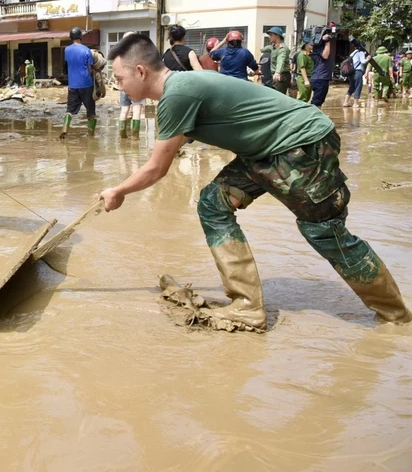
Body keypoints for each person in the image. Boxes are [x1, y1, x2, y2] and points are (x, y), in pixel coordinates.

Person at [98, 33, 411, 331]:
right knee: (212, 203)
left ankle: (397, 317)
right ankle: (247, 305)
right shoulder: (181, 88)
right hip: (261, 153)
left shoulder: (177, 93)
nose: (118, 85)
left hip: (301, 144)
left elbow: (156, 169)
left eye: (120, 78)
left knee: (324, 231)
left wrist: (119, 191)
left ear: (140, 71)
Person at [60, 26, 96, 139]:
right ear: (81, 37)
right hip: (86, 84)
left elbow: (68, 64)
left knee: (69, 109)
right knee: (90, 110)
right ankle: (91, 135)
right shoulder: (86, 50)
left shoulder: (66, 50)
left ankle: (65, 127)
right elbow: (90, 69)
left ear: (71, 37)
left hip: (73, 84)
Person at [309, 31, 335, 107]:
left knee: (319, 102)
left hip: (321, 77)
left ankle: (316, 117)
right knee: (316, 102)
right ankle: (312, 117)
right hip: (320, 77)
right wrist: (327, 42)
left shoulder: (318, 46)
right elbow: (325, 55)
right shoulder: (319, 47)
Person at [267, 27, 291, 95]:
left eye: (271, 35)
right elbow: (265, 49)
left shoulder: (282, 49)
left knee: (278, 97)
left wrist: (277, 72)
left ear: (277, 35)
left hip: (281, 75)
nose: (269, 37)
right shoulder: (274, 47)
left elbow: (280, 61)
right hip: (275, 75)